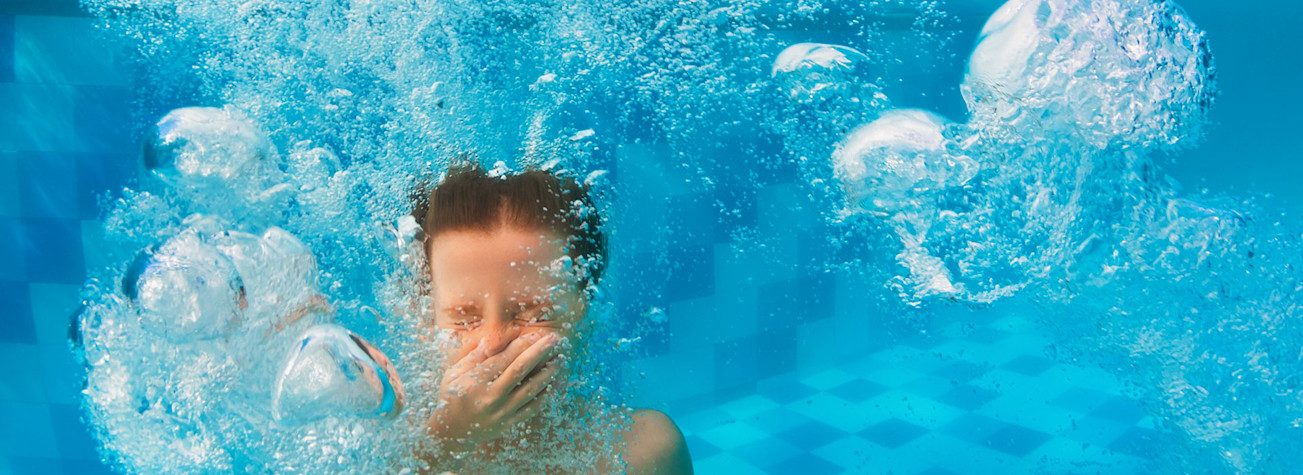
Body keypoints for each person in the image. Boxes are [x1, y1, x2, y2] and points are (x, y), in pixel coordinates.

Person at [413, 162, 692, 473]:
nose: (492, 343)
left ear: (586, 311)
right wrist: (446, 442)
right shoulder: (395, 446)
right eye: (464, 319)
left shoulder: (644, 450)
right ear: (427, 322)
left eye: (536, 315)